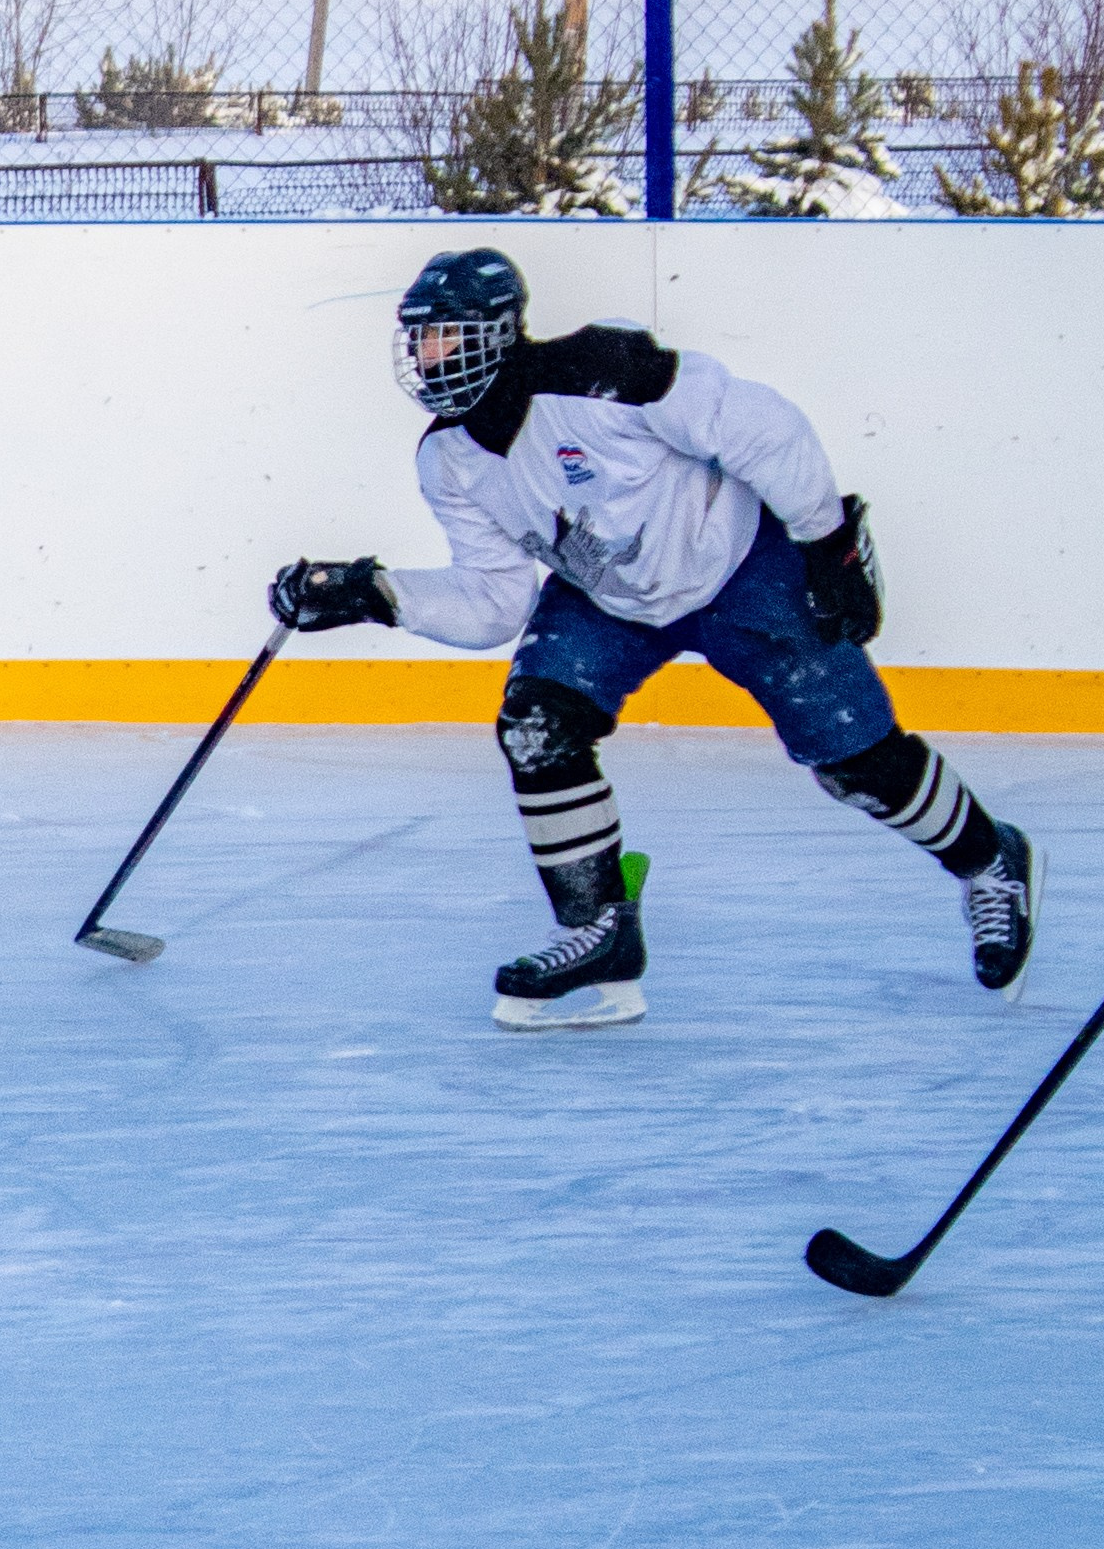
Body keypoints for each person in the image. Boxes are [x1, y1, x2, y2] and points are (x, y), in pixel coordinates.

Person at [268, 244, 1042, 1029]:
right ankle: (596, 928)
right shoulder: (448, 459)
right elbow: (494, 602)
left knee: (856, 762)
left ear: (499, 330)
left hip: (744, 566)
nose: (428, 356)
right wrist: (377, 594)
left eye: (445, 335)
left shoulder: (603, 370)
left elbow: (762, 427)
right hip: (608, 599)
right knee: (535, 725)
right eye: (418, 339)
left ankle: (990, 860)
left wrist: (827, 542)